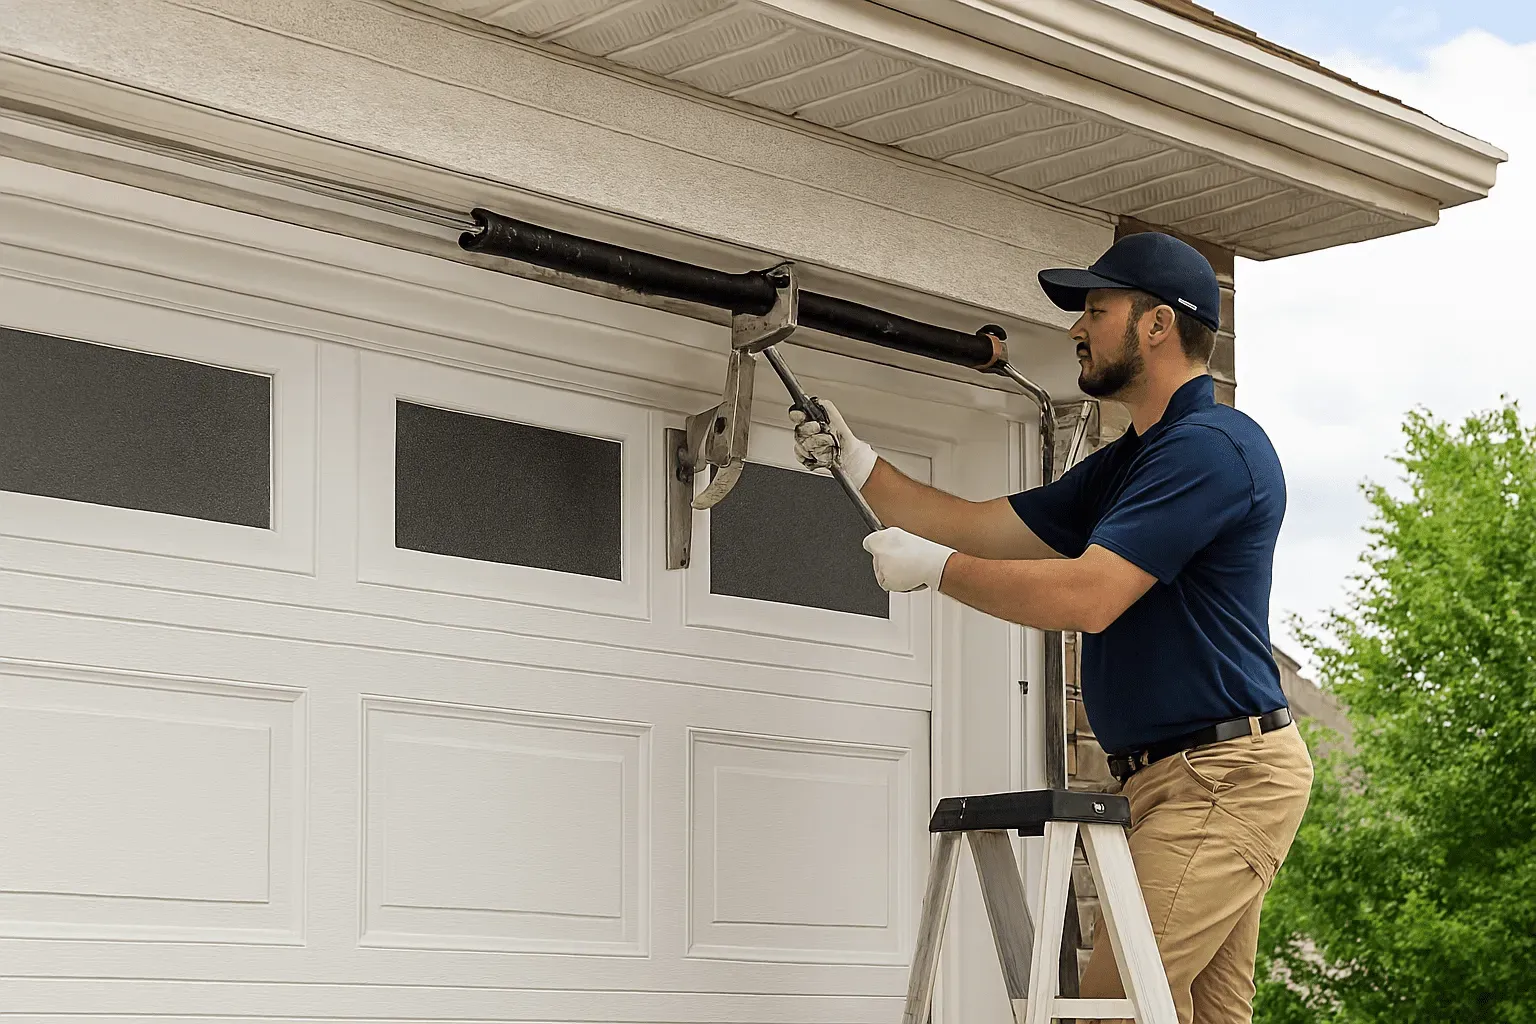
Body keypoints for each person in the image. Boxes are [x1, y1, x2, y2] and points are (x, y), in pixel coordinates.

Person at [789, 231, 1313, 1024]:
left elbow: (1090, 596)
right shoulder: (1133, 460)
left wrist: (937, 572)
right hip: (1184, 778)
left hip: (1221, 778)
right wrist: (857, 461)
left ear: (1157, 324)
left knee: (1115, 1007)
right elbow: (979, 526)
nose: (1077, 328)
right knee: (1203, 1016)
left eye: (1096, 310)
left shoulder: (1209, 449)